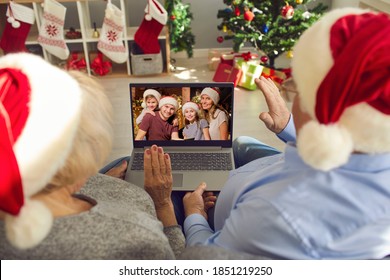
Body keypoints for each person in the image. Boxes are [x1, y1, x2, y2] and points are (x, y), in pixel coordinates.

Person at [147, 8, 390, 259]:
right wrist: (289, 126)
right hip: (258, 178)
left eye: (296, 88)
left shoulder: (275, 217)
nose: (292, 95)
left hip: (216, 216)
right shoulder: (374, 144)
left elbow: (202, 258)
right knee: (241, 144)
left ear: (321, 111)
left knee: (146, 177)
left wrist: (192, 214)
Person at [0, 53, 184, 259]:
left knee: (124, 162)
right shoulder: (137, 235)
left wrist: (98, 181)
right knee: (180, 195)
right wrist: (163, 205)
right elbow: (175, 266)